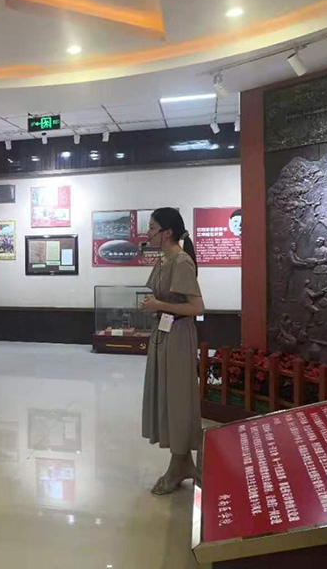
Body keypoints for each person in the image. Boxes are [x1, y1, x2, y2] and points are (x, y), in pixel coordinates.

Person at [140, 208, 205, 496]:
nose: (148, 232)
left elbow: (196, 307)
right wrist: (154, 306)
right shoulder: (163, 260)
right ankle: (181, 460)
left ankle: (180, 463)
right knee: (167, 396)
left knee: (178, 397)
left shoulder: (181, 261)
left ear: (166, 232)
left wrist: (160, 306)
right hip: (163, 333)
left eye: (152, 227)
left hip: (178, 335)